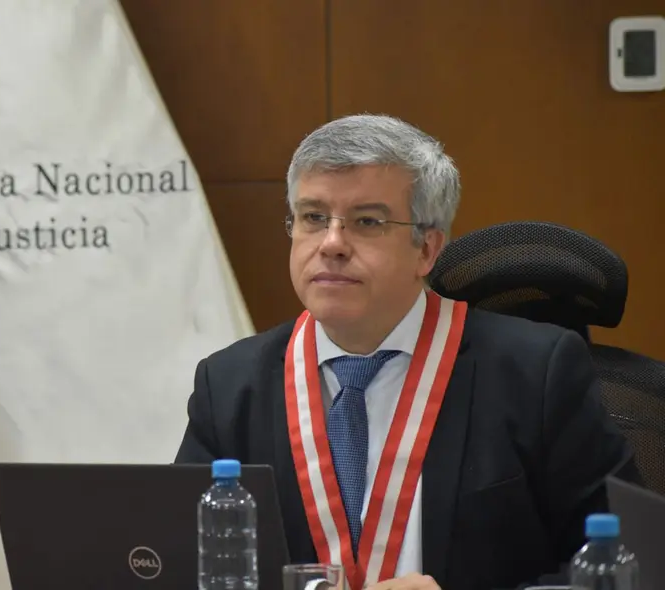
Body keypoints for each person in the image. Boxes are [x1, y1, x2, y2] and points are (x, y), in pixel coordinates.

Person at [174, 114, 640, 590]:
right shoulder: (229, 384)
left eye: (367, 221)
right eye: (313, 217)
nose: (331, 244)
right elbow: (178, 565)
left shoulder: (537, 373)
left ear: (427, 250)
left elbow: (631, 564)